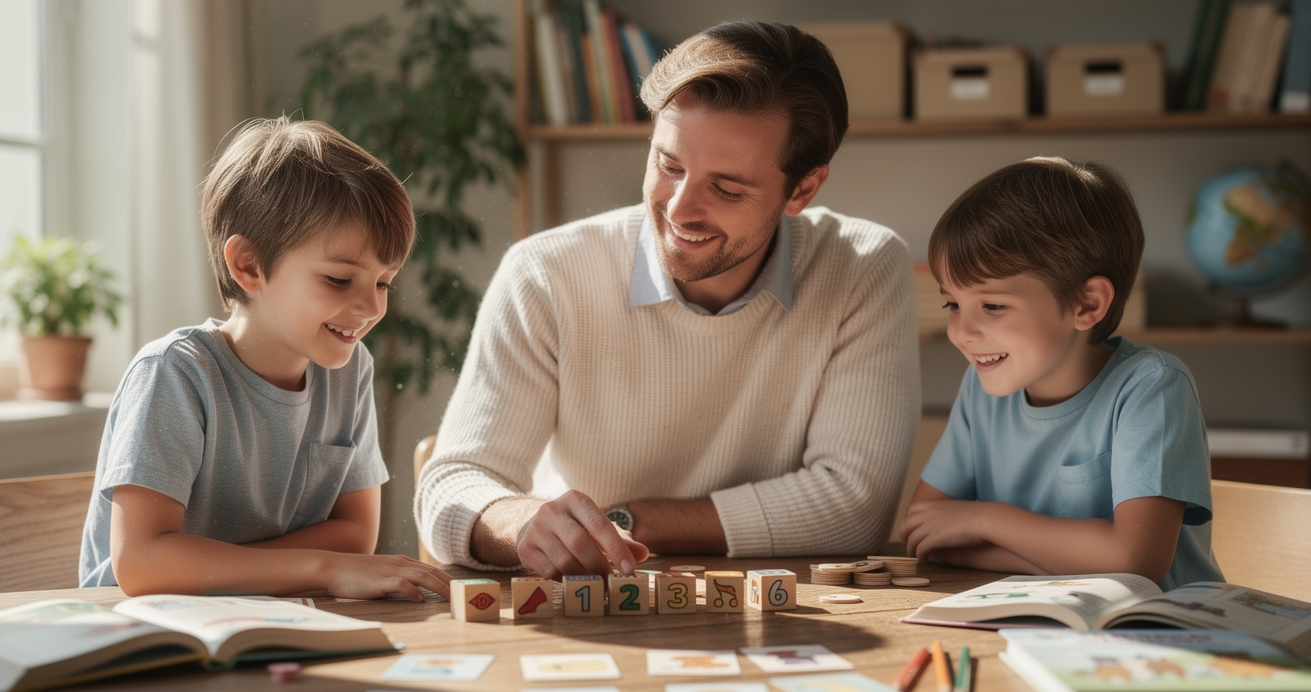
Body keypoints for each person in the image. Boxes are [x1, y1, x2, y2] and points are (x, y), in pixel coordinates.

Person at [417, 21, 919, 579]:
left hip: (785, 612)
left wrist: (623, 523)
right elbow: (451, 487)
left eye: (726, 188)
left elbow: (854, 508)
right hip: (593, 607)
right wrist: (521, 523)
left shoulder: (863, 267)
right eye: (668, 165)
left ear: (802, 188)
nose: (679, 209)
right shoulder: (546, 273)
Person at [78, 117, 452, 601]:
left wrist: (215, 563)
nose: (373, 307)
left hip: (274, 616)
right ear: (248, 266)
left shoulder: (350, 369)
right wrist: (323, 568)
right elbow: (144, 563)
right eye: (340, 280)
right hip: (145, 636)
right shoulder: (174, 373)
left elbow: (356, 534)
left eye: (383, 282)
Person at [900, 156, 1225, 592]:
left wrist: (985, 519)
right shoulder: (980, 388)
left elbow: (1135, 559)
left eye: (992, 305)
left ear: (1088, 304)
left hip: (1168, 637)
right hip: (1042, 625)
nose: (961, 332)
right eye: (952, 304)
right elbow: (925, 534)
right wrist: (1075, 556)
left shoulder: (1153, 386)